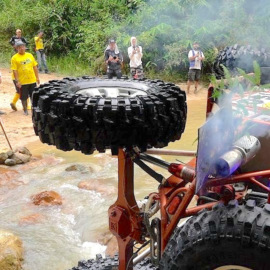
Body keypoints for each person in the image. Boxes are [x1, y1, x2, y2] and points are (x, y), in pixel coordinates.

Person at [11, 41, 40, 115]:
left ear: (25, 47)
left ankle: (34, 110)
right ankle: (25, 110)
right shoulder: (14, 58)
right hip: (23, 81)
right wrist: (17, 81)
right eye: (20, 47)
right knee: (23, 97)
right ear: (17, 48)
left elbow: (35, 67)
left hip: (32, 80)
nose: (22, 48)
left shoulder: (30, 55)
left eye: (23, 46)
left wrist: (37, 77)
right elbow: (15, 70)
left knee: (33, 95)